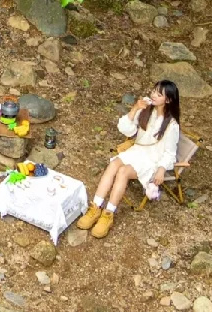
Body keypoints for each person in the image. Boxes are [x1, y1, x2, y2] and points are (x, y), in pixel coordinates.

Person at [76, 79, 181, 238]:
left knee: (123, 172)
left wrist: (161, 170)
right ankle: (95, 208)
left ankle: (108, 215)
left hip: (151, 161)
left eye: (158, 94)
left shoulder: (171, 125)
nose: (153, 95)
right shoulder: (146, 110)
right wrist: (135, 108)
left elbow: (170, 153)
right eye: (153, 91)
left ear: (167, 100)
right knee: (113, 165)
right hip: (136, 151)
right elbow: (126, 130)